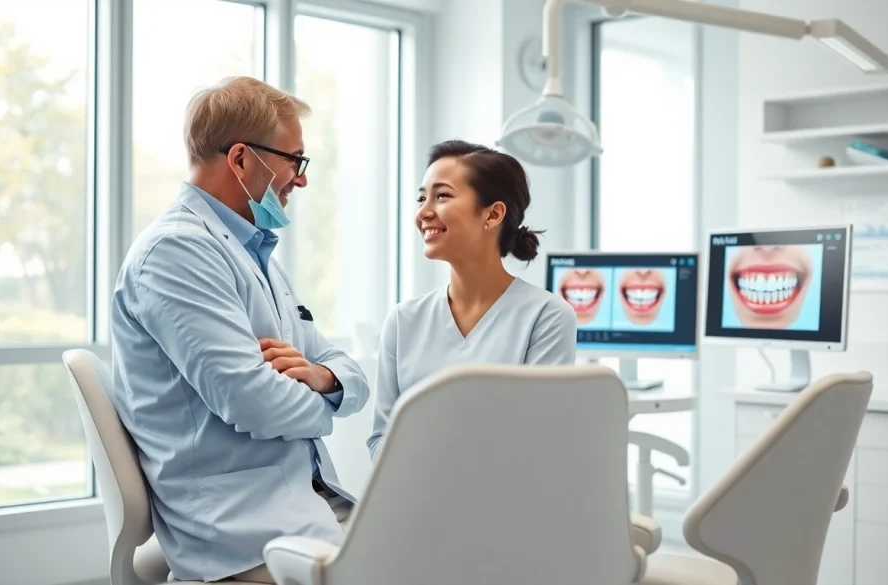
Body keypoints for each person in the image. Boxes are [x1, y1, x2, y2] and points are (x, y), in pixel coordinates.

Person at [110, 76, 369, 584]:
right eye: (295, 160)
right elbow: (253, 402)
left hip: (297, 503)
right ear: (242, 159)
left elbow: (349, 374)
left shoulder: (253, 252)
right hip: (241, 531)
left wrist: (324, 378)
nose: (301, 178)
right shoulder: (177, 252)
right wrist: (324, 403)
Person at [366, 139, 578, 459]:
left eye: (442, 196)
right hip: (416, 501)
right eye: (422, 198)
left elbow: (539, 440)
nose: (423, 212)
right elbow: (381, 439)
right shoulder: (404, 320)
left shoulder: (546, 317)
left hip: (506, 504)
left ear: (492, 214)